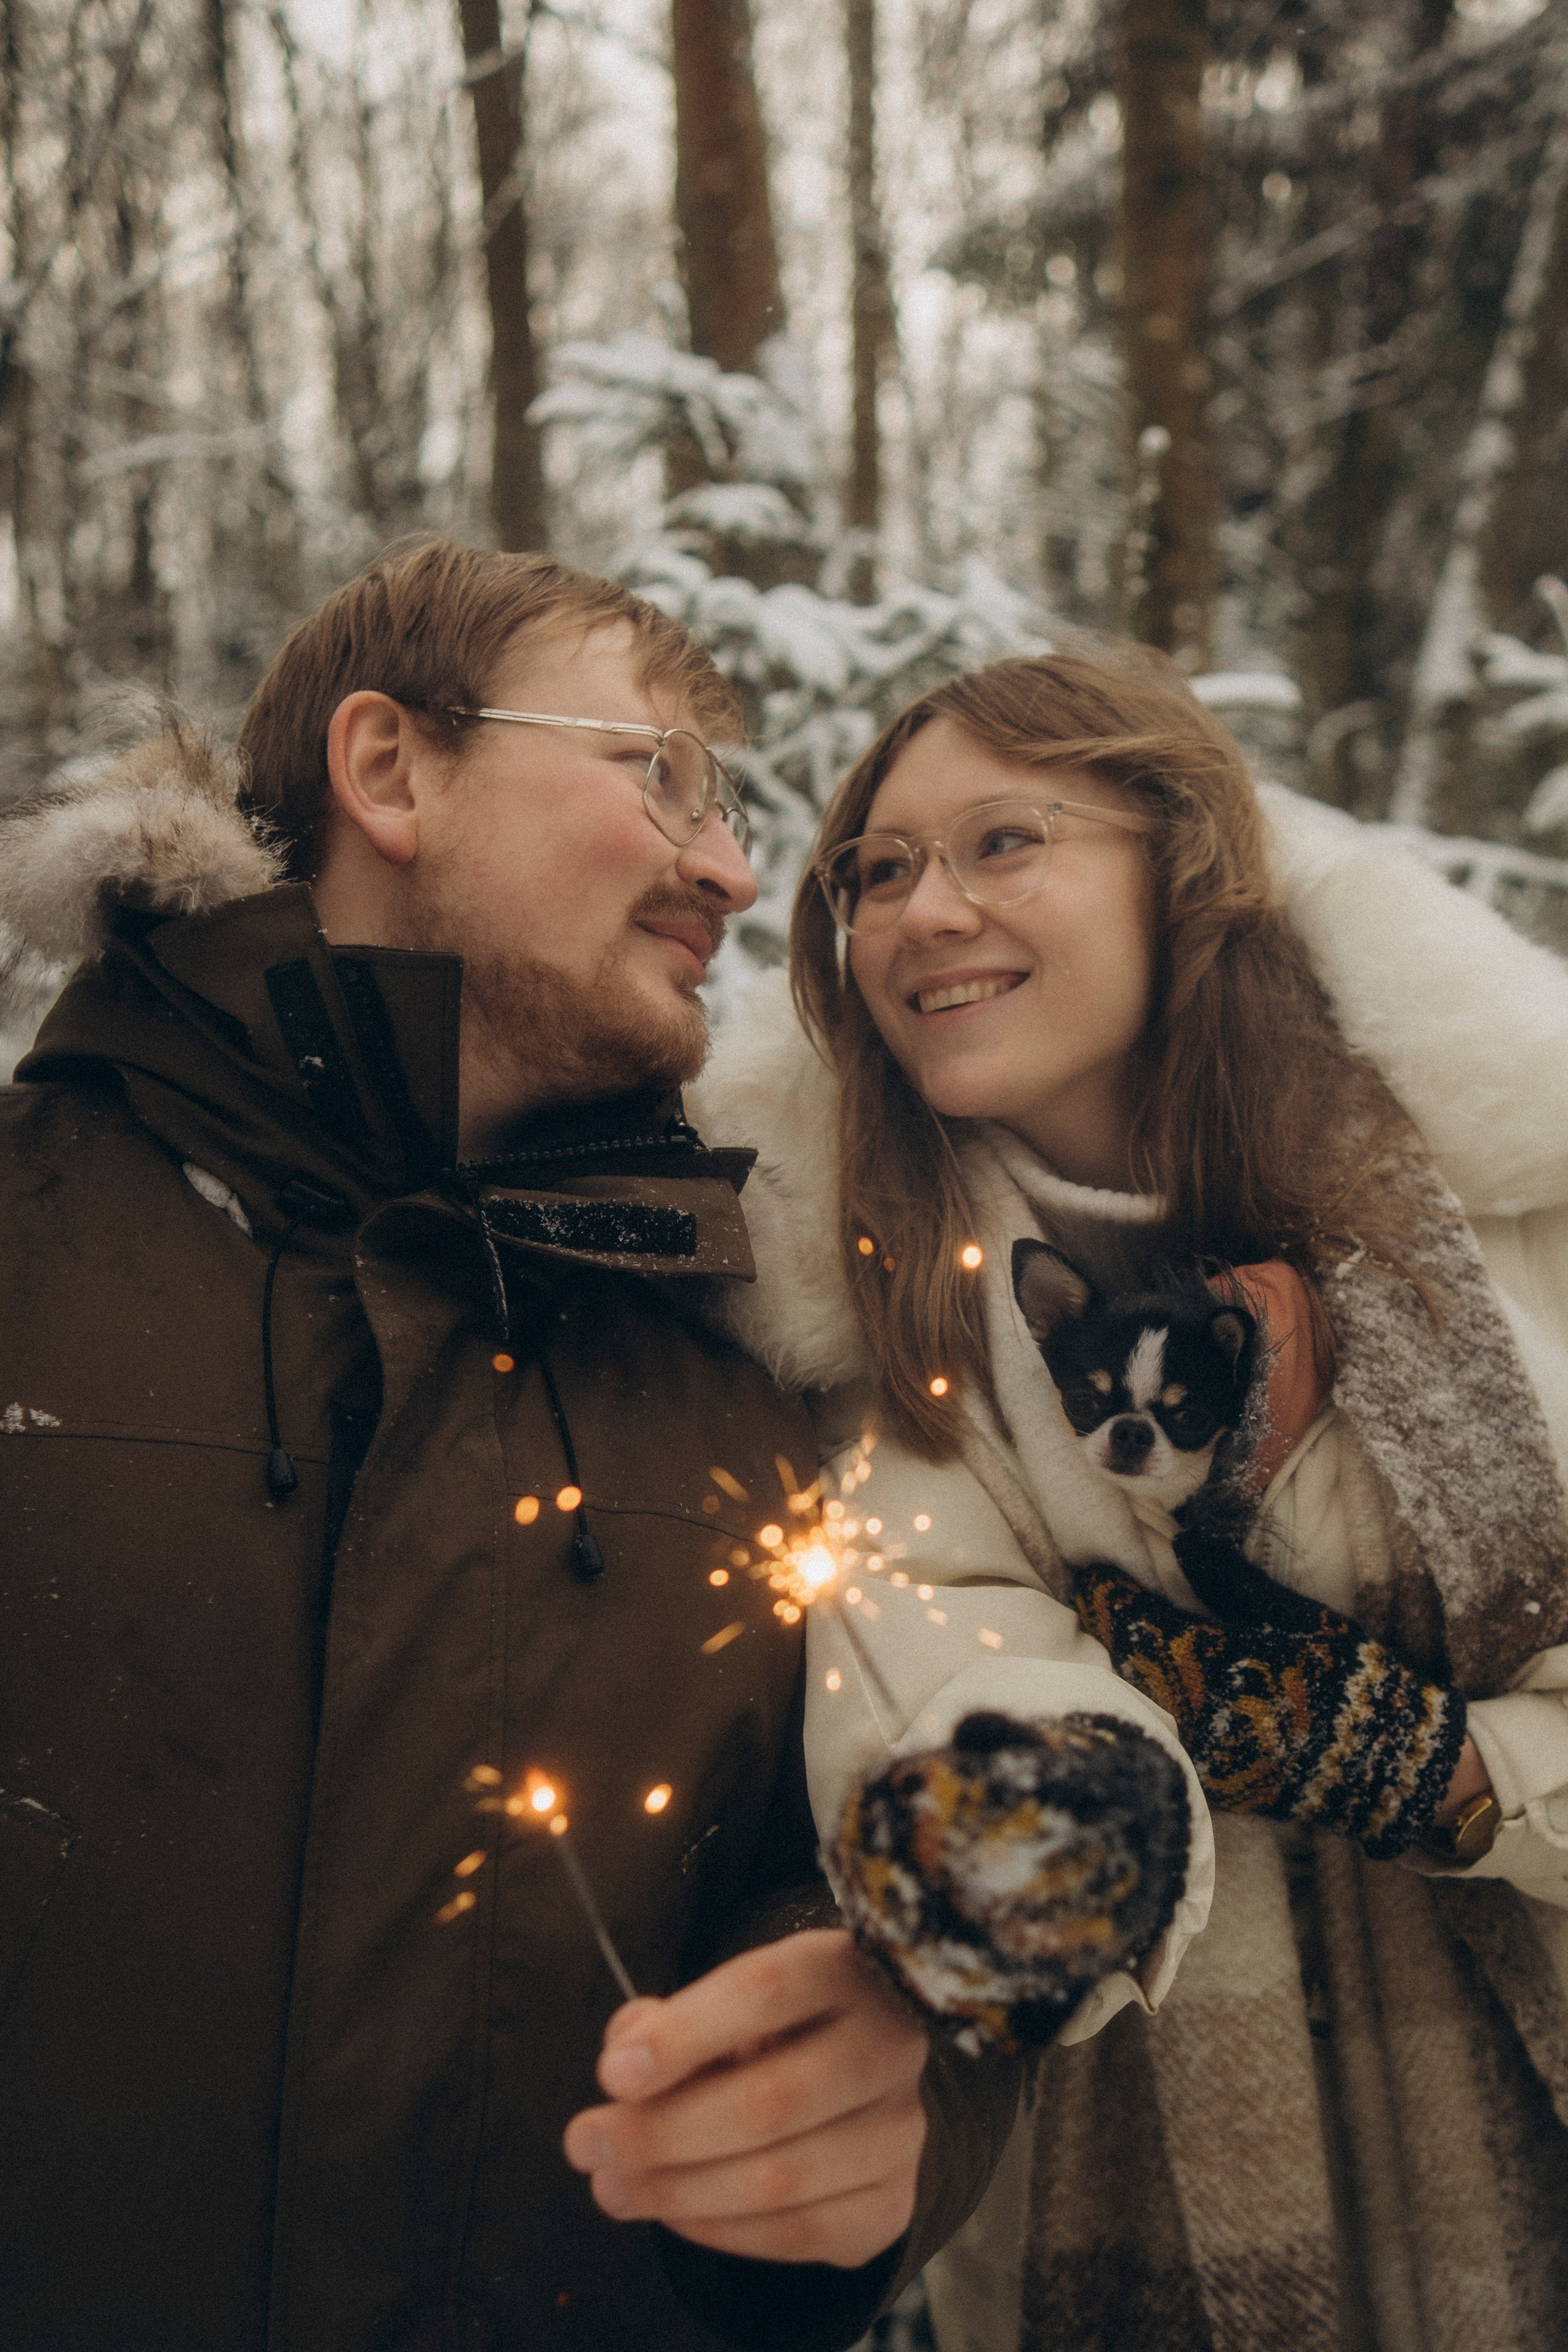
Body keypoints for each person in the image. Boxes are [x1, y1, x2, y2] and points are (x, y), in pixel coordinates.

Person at [0, 540, 1022, 2352]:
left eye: (726, 806)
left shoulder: (760, 1361)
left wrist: (889, 2109)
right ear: (390, 772)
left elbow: (878, 1879)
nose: (724, 866)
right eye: (656, 775)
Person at [692, 646, 1568, 2352]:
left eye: (1006, 842)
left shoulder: (1503, 1191)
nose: (923, 911)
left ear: (1177, 867)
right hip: (1143, 2164)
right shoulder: (873, 1284)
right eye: (877, 869)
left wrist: (1471, 1777)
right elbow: (931, 1620)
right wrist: (1056, 1814)